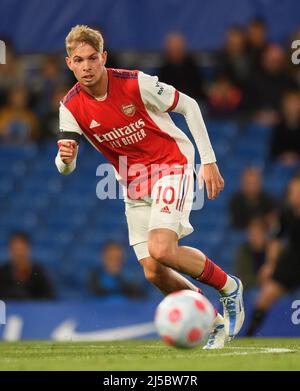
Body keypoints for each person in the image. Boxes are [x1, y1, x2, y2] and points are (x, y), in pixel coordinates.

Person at [54, 25, 244, 348]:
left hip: (171, 163)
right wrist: (65, 159)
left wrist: (207, 160)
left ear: (103, 58)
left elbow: (190, 106)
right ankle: (212, 321)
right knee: (154, 272)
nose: (86, 67)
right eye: (78, 60)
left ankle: (230, 287)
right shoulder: (70, 107)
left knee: (162, 248)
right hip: (133, 184)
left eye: (91, 58)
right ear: (69, 63)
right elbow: (65, 167)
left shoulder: (135, 83)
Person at [246, 174, 300, 336]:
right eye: (293, 190)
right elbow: (275, 240)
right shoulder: (286, 213)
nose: (294, 194)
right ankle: (248, 335)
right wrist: (270, 264)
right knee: (265, 296)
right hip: (292, 259)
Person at [0, 232, 55, 300]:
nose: (19, 254)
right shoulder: (2, 273)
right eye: (15, 250)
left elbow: (50, 299)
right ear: (9, 251)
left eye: (21, 250)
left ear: (28, 249)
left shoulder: (40, 273)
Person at [234, 218, 268, 289]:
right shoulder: (244, 251)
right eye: (251, 234)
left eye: (257, 234)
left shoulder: (271, 251)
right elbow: (241, 278)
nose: (253, 237)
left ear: (265, 234)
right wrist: (259, 280)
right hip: (250, 289)